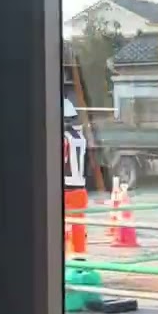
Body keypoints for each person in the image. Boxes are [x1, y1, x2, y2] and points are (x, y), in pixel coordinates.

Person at [62, 99, 89, 257]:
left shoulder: (64, 138)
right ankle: (80, 259)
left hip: (67, 189)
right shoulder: (80, 137)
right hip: (80, 189)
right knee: (78, 227)